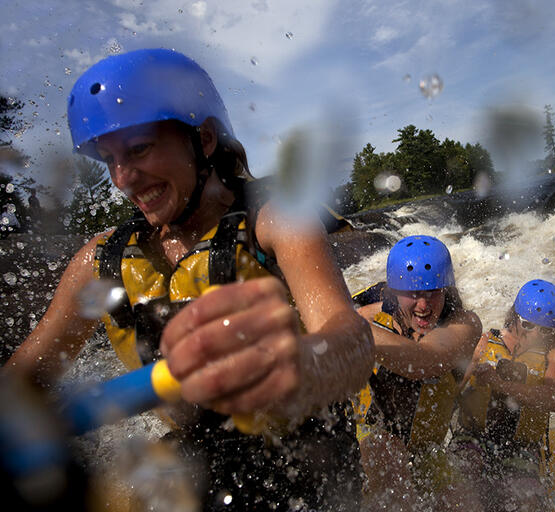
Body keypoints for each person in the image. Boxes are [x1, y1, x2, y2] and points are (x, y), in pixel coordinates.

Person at [5, 48, 374, 511]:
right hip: (201, 462)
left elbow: (353, 340)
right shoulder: (99, 262)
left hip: (309, 457)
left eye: (138, 149)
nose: (123, 179)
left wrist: (301, 366)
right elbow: (24, 376)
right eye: (109, 159)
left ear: (202, 140)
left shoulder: (276, 221)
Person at [352, 235, 482, 511]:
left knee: (461, 504)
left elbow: (426, 361)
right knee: (389, 460)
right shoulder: (370, 316)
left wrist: (350, 331)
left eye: (432, 291)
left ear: (447, 289)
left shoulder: (465, 324)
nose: (423, 306)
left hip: (427, 449)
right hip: (370, 435)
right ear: (393, 290)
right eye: (412, 293)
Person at [451, 279, 555, 512]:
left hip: (521, 447)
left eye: (545, 330)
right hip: (473, 437)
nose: (536, 334)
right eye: (528, 325)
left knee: (525, 502)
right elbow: (451, 392)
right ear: (515, 317)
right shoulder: (485, 342)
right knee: (460, 486)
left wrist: (500, 384)